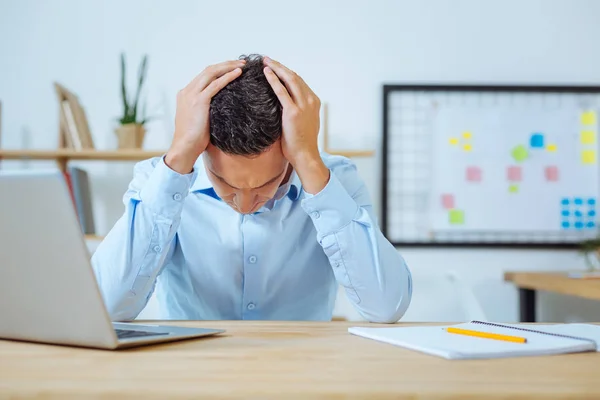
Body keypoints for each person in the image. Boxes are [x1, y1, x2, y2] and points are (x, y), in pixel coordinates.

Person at [91, 54, 412, 323]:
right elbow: (107, 306)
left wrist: (309, 161)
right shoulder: (158, 179)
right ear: (202, 148)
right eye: (226, 184)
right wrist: (177, 157)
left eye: (266, 185)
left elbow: (386, 308)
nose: (245, 204)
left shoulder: (334, 180)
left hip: (303, 375)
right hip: (192, 374)